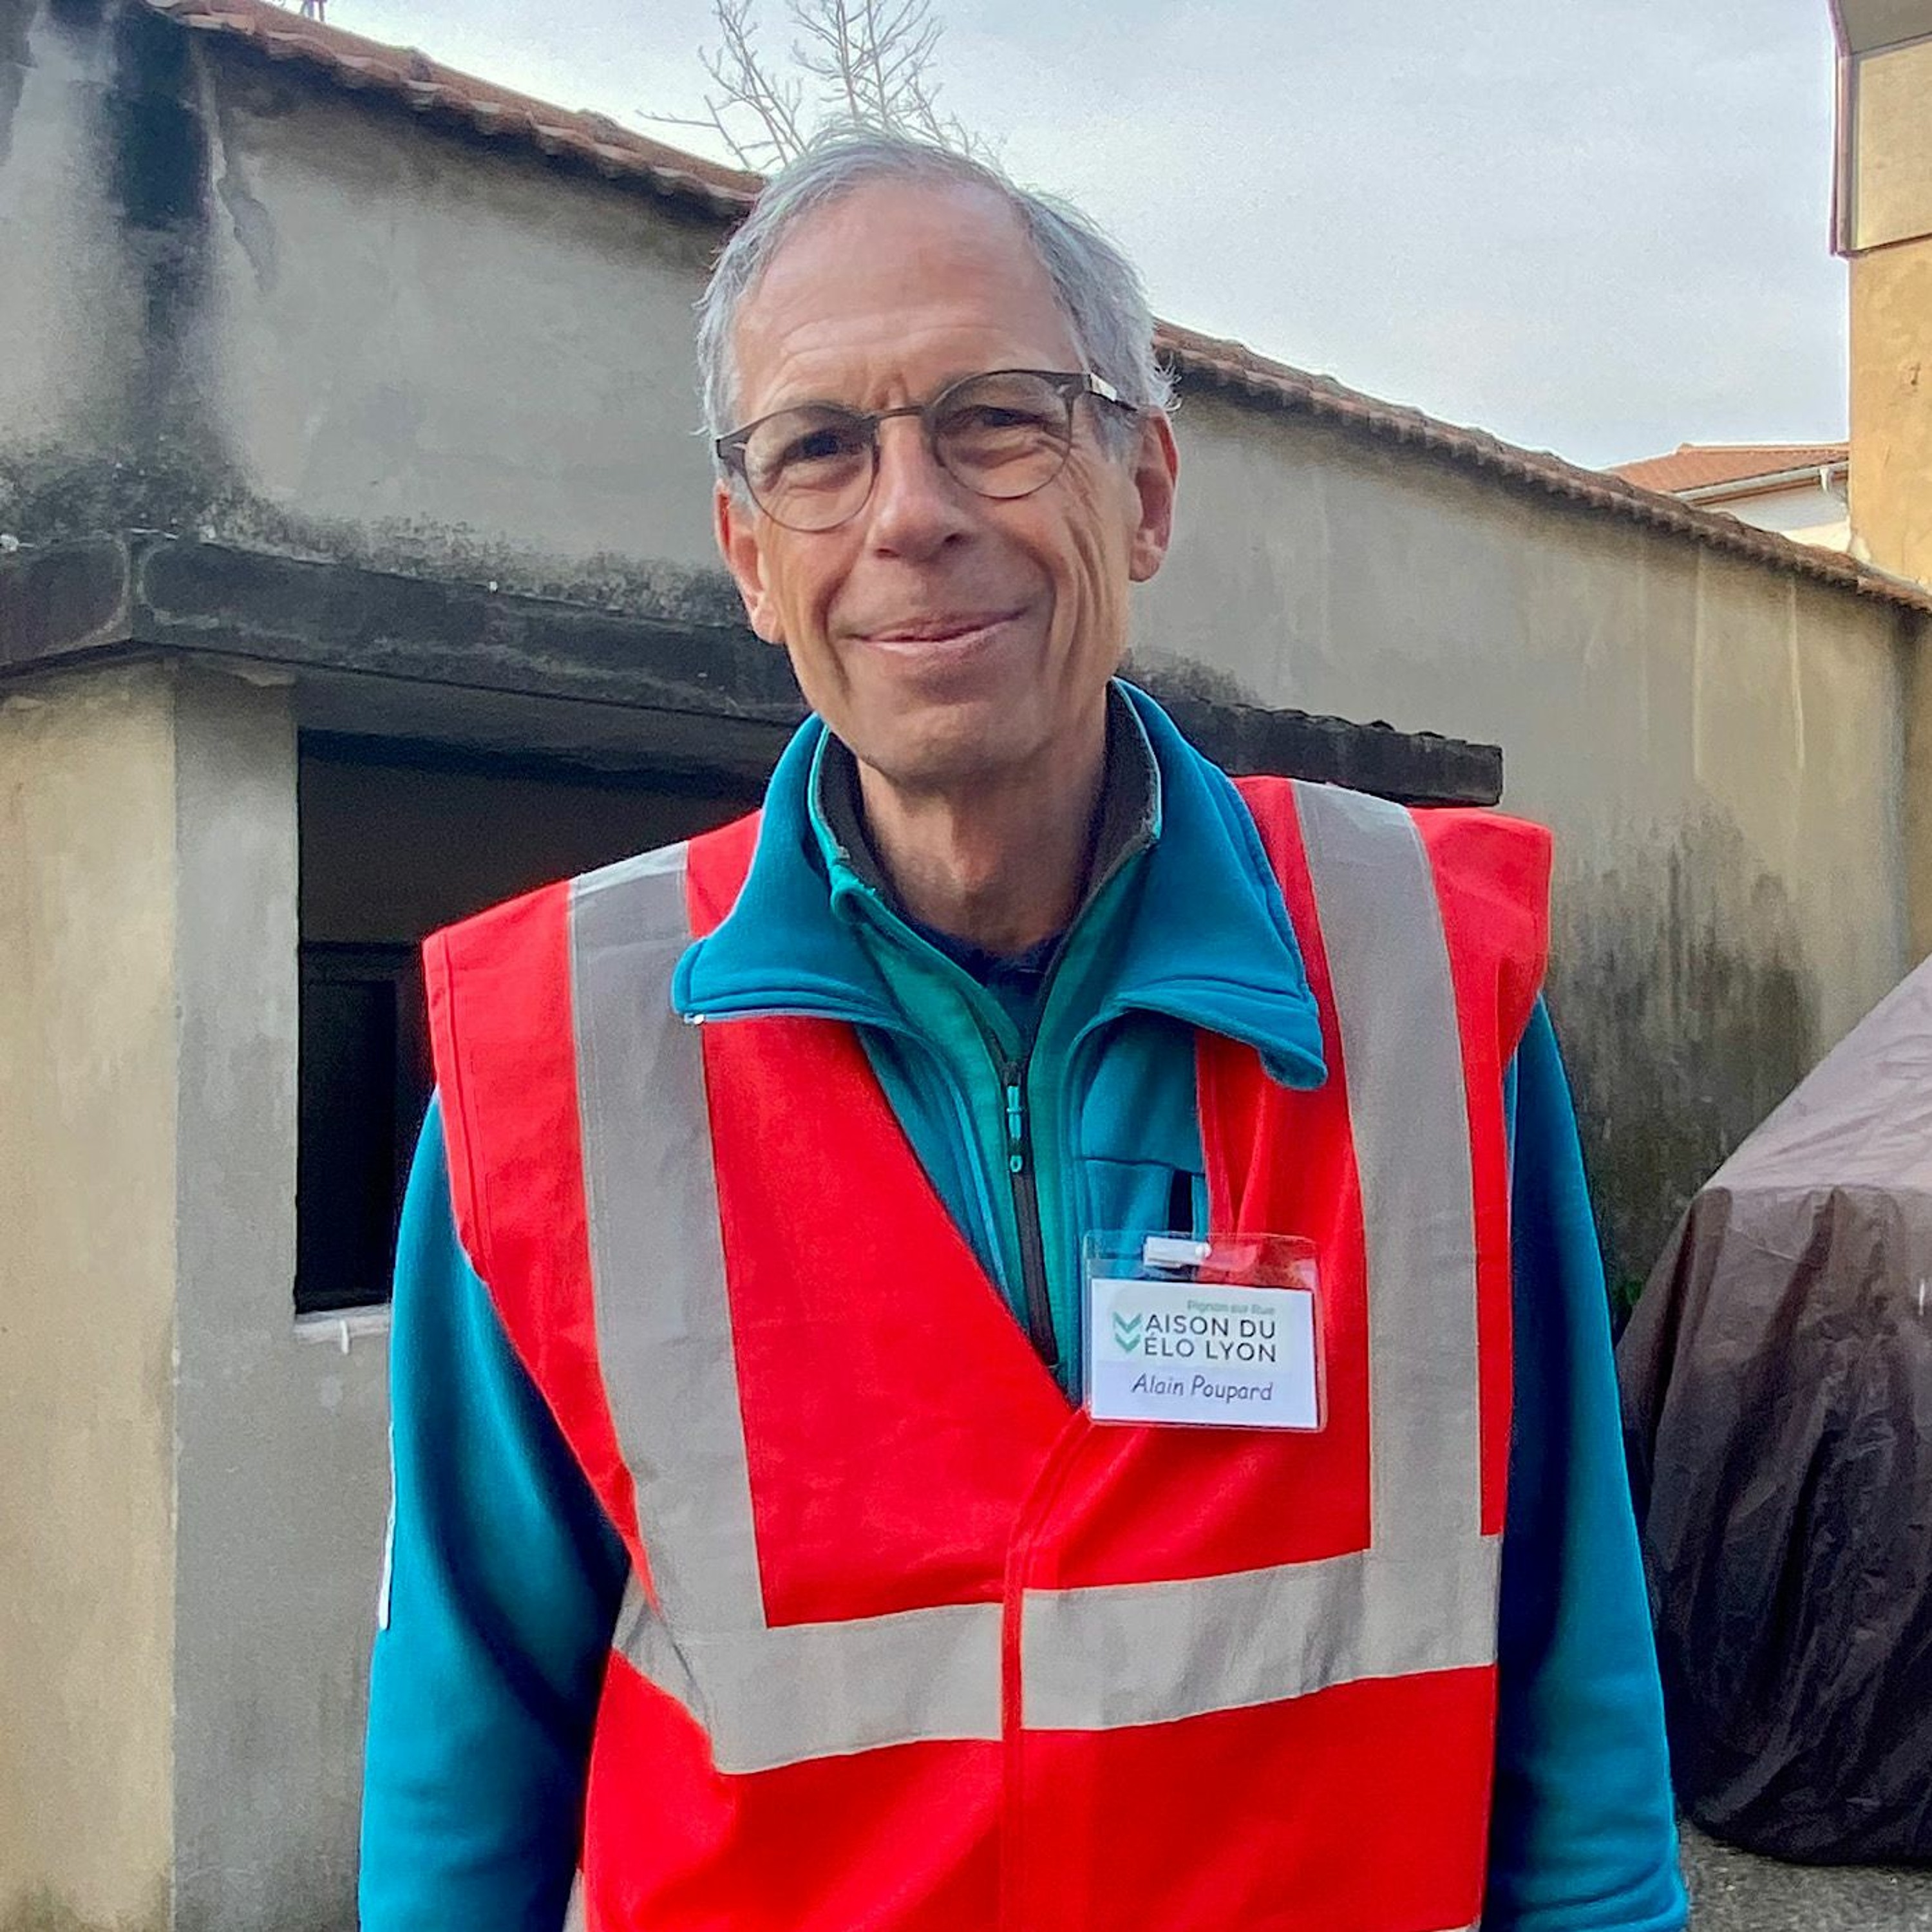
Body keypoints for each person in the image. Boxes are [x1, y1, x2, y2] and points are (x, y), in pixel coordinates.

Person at [359, 130, 1687, 1931]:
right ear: (752, 557)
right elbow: (465, 1769)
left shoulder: (1425, 992)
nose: (909, 511)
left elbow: (1573, 1712)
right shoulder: (553, 1072)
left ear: (1145, 485)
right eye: (822, 449)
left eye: (996, 417)